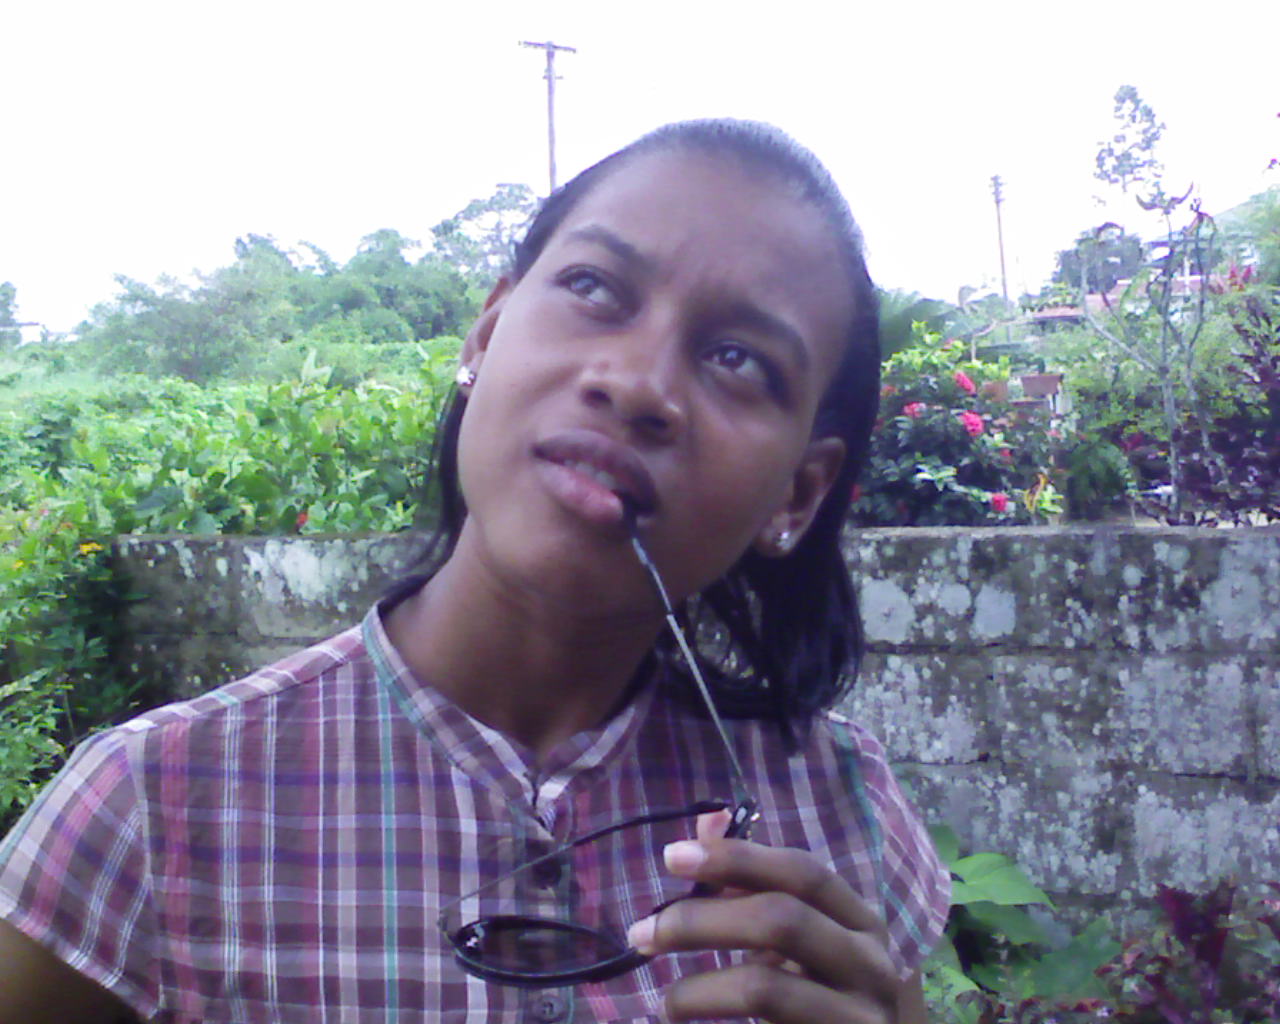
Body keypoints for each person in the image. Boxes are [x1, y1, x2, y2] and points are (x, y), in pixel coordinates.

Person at [0, 119, 949, 1023]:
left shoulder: (841, 810)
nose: (637, 384)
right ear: (485, 338)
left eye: (737, 359)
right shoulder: (150, 808)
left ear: (798, 495)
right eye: (594, 288)